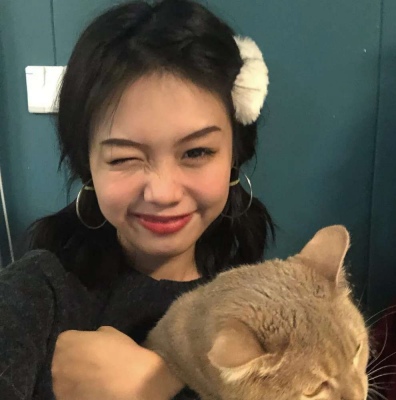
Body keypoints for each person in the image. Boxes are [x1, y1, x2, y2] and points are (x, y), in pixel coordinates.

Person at [0, 0, 274, 399]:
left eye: (196, 152)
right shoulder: (39, 292)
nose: (162, 193)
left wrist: (156, 387)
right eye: (124, 158)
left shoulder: (263, 308)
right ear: (88, 165)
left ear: (235, 154)